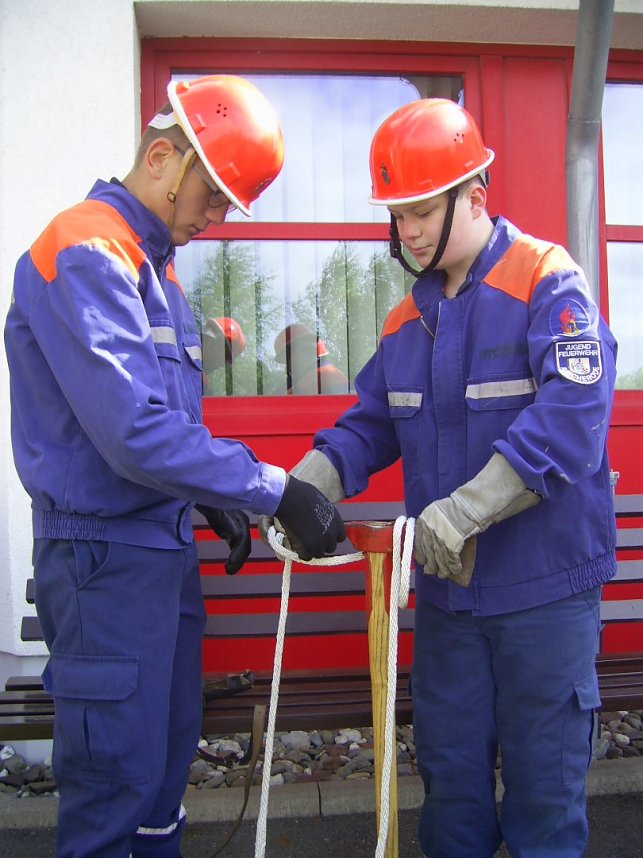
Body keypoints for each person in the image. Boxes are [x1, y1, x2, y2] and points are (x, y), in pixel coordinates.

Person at [260, 98, 617, 857]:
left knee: (543, 799)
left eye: (421, 212)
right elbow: (367, 425)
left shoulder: (548, 282)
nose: (407, 232)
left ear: (475, 197)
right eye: (397, 216)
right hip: (449, 601)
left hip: (543, 597)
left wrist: (459, 514)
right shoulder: (404, 321)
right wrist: (299, 489)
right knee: (450, 793)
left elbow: (571, 419)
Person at [4, 74, 344, 858]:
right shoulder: (88, 250)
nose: (215, 219)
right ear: (162, 156)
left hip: (154, 551)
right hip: (104, 560)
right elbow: (132, 432)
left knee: (159, 776)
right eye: (213, 195)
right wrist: (271, 490)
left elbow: (163, 432)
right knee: (111, 790)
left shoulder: (154, 272)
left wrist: (209, 500)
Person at [273, 322, 349, 394]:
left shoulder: (312, 382)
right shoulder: (328, 373)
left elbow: (281, 403)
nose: (289, 368)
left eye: (287, 360)